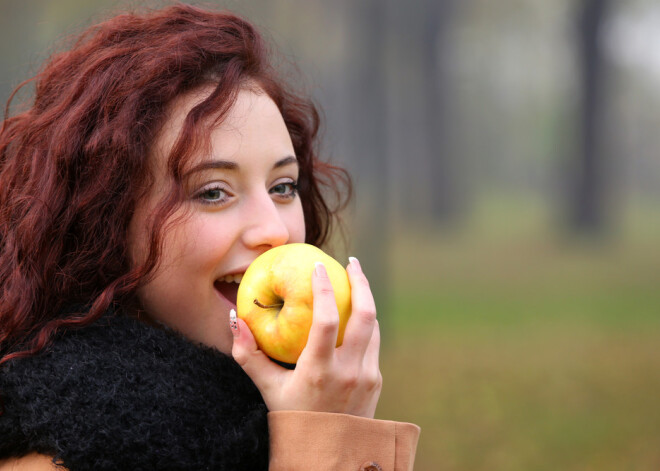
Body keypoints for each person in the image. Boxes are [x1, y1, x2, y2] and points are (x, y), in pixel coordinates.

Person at [0, 4, 419, 470]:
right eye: (213, 192)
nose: (275, 230)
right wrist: (323, 444)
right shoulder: (50, 458)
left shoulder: (255, 414)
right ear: (106, 223)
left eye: (283, 187)